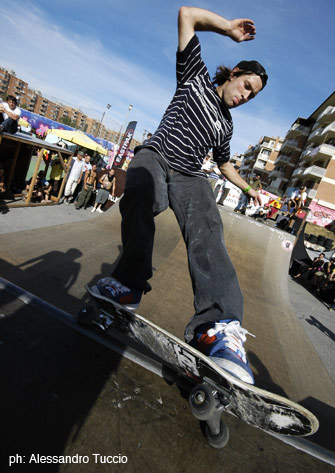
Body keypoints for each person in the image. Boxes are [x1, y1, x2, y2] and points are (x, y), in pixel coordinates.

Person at [92, 6, 267, 385]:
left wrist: (251, 189)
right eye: (246, 87)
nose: (244, 97)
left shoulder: (226, 126)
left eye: (251, 97)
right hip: (158, 155)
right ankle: (128, 284)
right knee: (140, 186)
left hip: (190, 175)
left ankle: (218, 326)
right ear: (235, 73)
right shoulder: (195, 78)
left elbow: (224, 166)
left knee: (208, 224)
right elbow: (186, 14)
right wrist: (227, 29)